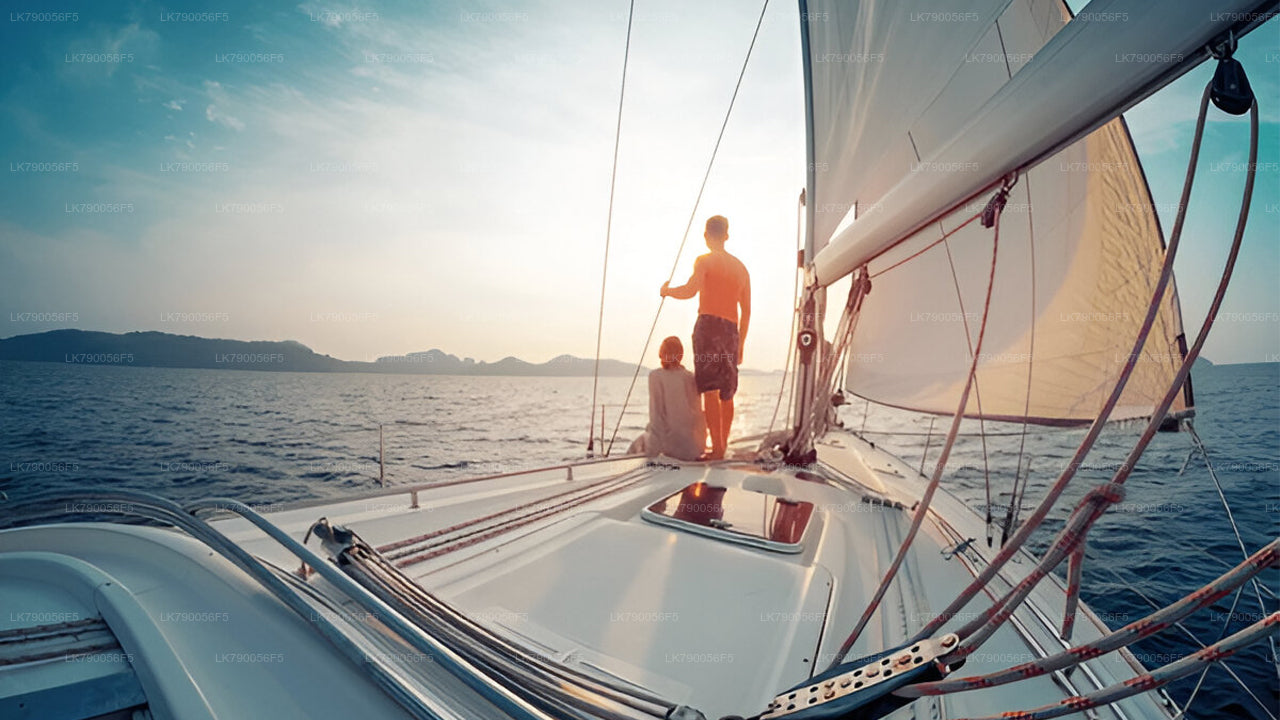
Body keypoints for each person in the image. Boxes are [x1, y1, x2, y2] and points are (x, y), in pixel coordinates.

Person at [660, 215, 750, 460]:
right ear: (727, 236)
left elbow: (690, 290)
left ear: (706, 236)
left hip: (709, 326)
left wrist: (667, 291)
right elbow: (747, 310)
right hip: (731, 330)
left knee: (710, 390)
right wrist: (741, 342)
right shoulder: (741, 269)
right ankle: (722, 447)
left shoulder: (704, 261)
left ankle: (717, 449)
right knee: (727, 392)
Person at [627, 336, 706, 461]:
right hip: (692, 447)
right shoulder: (690, 377)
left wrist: (656, 448)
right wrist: (700, 445)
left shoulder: (655, 376)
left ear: (662, 354)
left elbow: (656, 415)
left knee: (638, 443)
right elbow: (699, 414)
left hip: (668, 446)